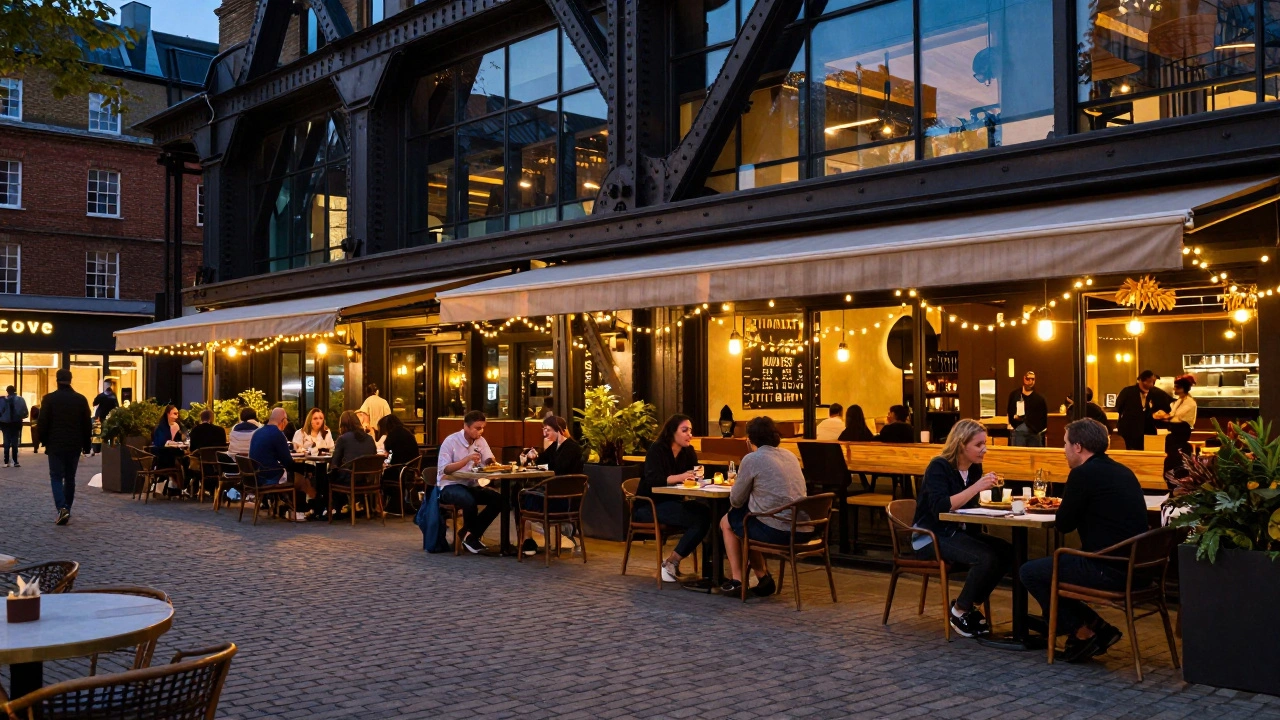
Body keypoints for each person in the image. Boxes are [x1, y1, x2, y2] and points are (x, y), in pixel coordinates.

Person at [1020, 418, 1148, 662]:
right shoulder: (1123, 470)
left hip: (1107, 569)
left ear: (1078, 447)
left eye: (1066, 444)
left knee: (1030, 572)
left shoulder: (1082, 474)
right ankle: (1096, 627)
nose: (1064, 450)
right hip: (1137, 568)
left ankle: (1083, 632)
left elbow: (1064, 524)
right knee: (1056, 566)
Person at [912, 418, 1013, 638]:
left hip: (960, 532)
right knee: (985, 557)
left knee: (1008, 551)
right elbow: (941, 508)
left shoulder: (974, 469)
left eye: (984, 444)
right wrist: (977, 487)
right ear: (961, 444)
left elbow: (970, 506)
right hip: (932, 535)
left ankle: (969, 603)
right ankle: (959, 611)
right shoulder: (938, 466)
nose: (984, 449)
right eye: (979, 445)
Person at [719, 416, 810, 597]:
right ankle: (762, 577)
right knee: (747, 521)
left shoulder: (752, 459)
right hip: (805, 528)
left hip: (779, 530)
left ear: (749, 439)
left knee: (728, 522)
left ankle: (738, 580)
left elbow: (736, 500)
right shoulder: (790, 455)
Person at [639, 414, 712, 583]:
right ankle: (671, 562)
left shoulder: (688, 452)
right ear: (672, 432)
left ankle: (710, 571)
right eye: (684, 430)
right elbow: (653, 480)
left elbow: (694, 475)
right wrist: (681, 477)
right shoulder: (656, 450)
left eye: (691, 431)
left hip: (674, 502)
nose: (689, 435)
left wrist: (695, 479)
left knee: (707, 512)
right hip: (649, 505)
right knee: (700, 519)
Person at [436, 410, 501, 554]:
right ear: (466, 426)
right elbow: (445, 469)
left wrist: (491, 462)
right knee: (468, 500)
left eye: (483, 427)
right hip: (449, 485)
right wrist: (467, 459)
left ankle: (469, 535)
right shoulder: (451, 441)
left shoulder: (480, 441)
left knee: (499, 499)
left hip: (470, 484)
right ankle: (470, 538)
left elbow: (489, 459)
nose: (481, 431)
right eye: (477, 428)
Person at [519, 415, 585, 556]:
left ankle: (527, 541)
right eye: (544, 430)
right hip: (556, 495)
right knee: (518, 493)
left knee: (519, 495)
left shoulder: (571, 448)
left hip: (562, 500)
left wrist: (545, 453)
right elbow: (542, 462)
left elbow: (557, 469)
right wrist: (533, 457)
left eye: (547, 430)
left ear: (559, 430)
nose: (545, 434)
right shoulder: (556, 446)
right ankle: (527, 540)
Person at [36, 369, 92, 526]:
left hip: (55, 444)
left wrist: (44, 441)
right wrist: (87, 445)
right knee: (70, 478)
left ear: (57, 380)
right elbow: (87, 425)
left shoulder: (49, 399)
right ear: (70, 380)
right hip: (74, 445)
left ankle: (62, 507)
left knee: (55, 476)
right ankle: (67, 507)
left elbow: (43, 423)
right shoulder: (80, 399)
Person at [248, 407, 316, 517]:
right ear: (283, 421)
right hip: (270, 477)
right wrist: (305, 468)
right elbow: (288, 462)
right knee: (304, 475)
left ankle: (290, 505)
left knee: (301, 471)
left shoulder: (258, 432)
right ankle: (306, 507)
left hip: (256, 476)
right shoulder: (277, 434)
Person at [1114, 370, 1171, 452]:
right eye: (1150, 381)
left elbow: (1168, 404)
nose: (1152, 384)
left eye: (1153, 381)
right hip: (1130, 429)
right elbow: (1119, 407)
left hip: (1148, 430)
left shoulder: (1156, 392)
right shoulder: (1128, 391)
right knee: (1131, 451)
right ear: (1142, 380)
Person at [1155, 375, 1197, 476]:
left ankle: (1178, 475)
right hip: (1175, 431)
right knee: (1171, 452)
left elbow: (1175, 416)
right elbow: (1172, 416)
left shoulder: (1190, 402)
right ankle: (1171, 475)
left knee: (1177, 456)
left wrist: (1163, 416)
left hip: (1182, 431)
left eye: (1177, 387)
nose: (1174, 389)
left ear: (1183, 388)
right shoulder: (1178, 401)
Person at [1007, 371, 1048, 447]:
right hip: (1018, 430)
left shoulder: (1039, 398)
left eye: (1033, 379)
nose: (1030, 382)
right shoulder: (1015, 395)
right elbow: (1010, 411)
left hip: (1034, 432)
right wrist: (1014, 421)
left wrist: (1037, 429)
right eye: (1028, 379)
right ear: (1024, 379)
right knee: (1020, 456)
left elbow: (1044, 417)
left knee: (1034, 456)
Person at [0, 385, 29, 468]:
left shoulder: (2, 400)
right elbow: (25, 412)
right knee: (15, 441)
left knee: (6, 441)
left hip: (5, 423)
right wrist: (20, 416)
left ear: (7, 391)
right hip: (16, 423)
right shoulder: (20, 399)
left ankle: (6, 461)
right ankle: (15, 461)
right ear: (15, 390)